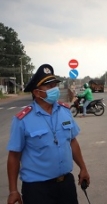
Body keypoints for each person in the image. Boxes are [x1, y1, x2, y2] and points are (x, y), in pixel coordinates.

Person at [6, 64, 90, 204]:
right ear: (37, 92)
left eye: (55, 85)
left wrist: (83, 168)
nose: (55, 89)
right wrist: (13, 191)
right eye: (49, 86)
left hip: (66, 185)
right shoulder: (23, 119)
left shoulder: (64, 111)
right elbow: (14, 156)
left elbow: (72, 141)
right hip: (37, 190)